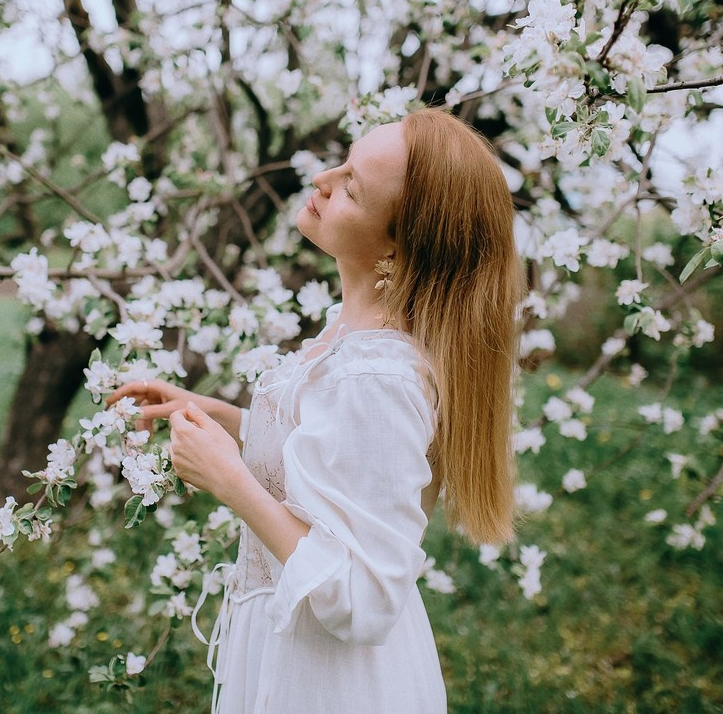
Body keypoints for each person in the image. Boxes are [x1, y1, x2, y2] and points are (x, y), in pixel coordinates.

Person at [107, 107, 524, 713]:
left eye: (351, 186)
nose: (322, 178)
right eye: (343, 161)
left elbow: (364, 597)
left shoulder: (377, 378)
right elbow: (327, 462)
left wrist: (231, 480)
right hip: (292, 644)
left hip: (330, 680)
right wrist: (221, 415)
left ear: (396, 247)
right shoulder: (351, 335)